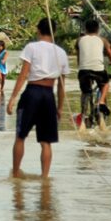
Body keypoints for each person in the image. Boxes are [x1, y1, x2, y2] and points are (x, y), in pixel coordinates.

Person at [6, 18, 69, 178]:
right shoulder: (61, 52)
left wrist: (12, 98)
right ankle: (45, 178)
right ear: (54, 32)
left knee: (20, 137)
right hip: (49, 95)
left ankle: (15, 174)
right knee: (46, 142)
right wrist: (60, 108)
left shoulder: (31, 47)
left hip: (32, 92)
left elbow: (23, 74)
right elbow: (62, 85)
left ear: (39, 30)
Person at [75, 17, 111, 129]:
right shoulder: (103, 40)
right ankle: (101, 101)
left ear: (86, 29)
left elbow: (78, 58)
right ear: (98, 29)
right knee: (105, 83)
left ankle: (82, 119)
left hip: (83, 70)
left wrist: (81, 68)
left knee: (85, 92)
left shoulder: (79, 40)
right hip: (99, 70)